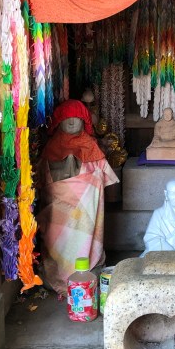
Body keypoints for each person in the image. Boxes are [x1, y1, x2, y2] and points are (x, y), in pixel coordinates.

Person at [38, 100, 118, 295]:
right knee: (58, 239)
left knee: (85, 240)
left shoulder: (90, 144)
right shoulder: (51, 146)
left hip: (86, 211)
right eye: (67, 119)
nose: (72, 122)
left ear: (85, 122)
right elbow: (42, 179)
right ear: (58, 122)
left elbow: (103, 175)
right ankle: (58, 274)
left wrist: (89, 181)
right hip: (59, 209)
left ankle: (87, 268)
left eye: (77, 118)